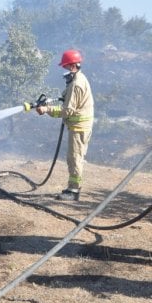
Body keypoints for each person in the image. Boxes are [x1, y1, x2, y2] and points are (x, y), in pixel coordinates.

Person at [36, 49, 94, 201]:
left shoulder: (76, 84)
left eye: (66, 67)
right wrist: (50, 102)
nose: (65, 70)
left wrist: (47, 110)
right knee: (74, 157)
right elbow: (67, 99)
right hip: (79, 126)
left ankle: (73, 191)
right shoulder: (78, 79)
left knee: (75, 158)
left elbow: (68, 110)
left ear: (73, 66)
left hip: (79, 127)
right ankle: (73, 188)